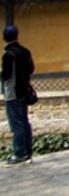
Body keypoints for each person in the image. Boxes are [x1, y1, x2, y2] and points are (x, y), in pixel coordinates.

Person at [2, 25, 34, 165]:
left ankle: (19, 153)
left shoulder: (8, 55)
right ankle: (27, 152)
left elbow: (6, 75)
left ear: (4, 37)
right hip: (24, 91)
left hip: (12, 92)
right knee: (24, 122)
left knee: (17, 125)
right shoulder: (25, 52)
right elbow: (31, 69)